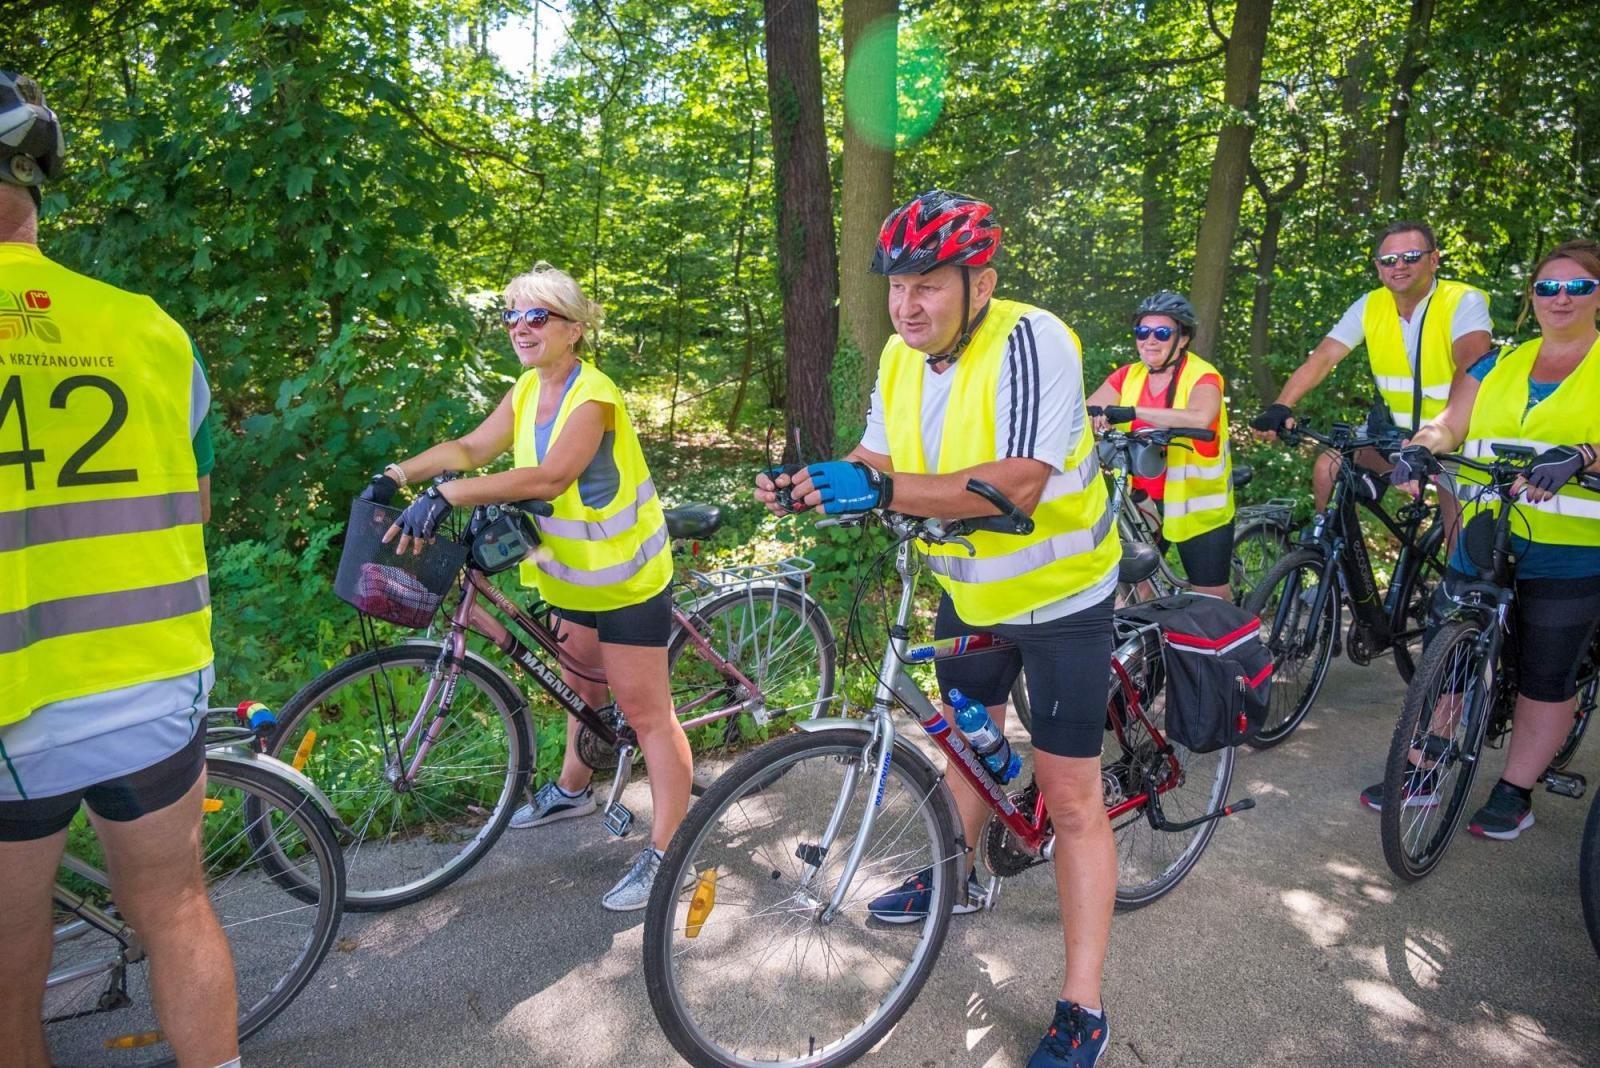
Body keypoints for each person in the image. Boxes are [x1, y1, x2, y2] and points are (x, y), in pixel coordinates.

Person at [758, 190, 1121, 1068]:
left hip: (1062, 599)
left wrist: (881, 494)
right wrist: (819, 479)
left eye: (927, 286)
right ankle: (957, 871)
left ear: (981, 282)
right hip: (970, 590)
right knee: (965, 744)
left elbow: (1020, 485)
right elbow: (880, 459)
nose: (906, 304)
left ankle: (1082, 1004)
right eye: (895, 287)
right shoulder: (897, 356)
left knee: (1071, 799)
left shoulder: (1035, 340)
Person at [0, 73, 241, 1067]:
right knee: (179, 909)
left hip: (15, 705)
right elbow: (194, 504)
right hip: (150, 680)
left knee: (11, 958)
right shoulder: (147, 327)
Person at [366, 261, 690, 910]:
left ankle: (668, 853)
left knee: (649, 716)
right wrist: (398, 474)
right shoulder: (525, 389)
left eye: (536, 315)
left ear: (574, 329)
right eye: (511, 314)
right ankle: (573, 791)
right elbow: (469, 447)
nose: (520, 326)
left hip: (625, 577)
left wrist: (447, 496)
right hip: (572, 571)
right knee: (581, 689)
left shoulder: (594, 396)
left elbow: (550, 479)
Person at [1370, 238, 1600, 836]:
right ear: (1533, 296)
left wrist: (1582, 455)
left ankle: (1514, 790)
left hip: (1572, 549)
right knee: (1453, 650)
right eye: (1549, 287)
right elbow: (1451, 422)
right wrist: (1420, 450)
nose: (1562, 298)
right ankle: (1424, 766)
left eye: (1578, 286)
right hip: (1488, 530)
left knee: (1547, 676)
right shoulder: (1498, 361)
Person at [1252, 220, 1492, 538]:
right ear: (1378, 267)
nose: (1399, 266)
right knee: (1329, 468)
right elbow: (1323, 358)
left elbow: (1471, 365)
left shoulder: (1463, 300)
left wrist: (1436, 437)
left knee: (1458, 535)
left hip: (1456, 435)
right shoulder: (1371, 305)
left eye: (1411, 256)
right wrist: (1281, 405)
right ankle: (1336, 571)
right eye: (1389, 260)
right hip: (1393, 431)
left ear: (1434, 260)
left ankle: (1453, 582)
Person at [1086, 291, 1235, 601]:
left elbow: (1200, 417)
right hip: (1143, 502)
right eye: (1142, 332)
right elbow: (1087, 412)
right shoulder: (1128, 375)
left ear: (1182, 339)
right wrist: (1093, 420)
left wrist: (1134, 412)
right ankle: (1153, 648)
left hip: (1197, 503)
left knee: (1210, 596)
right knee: (1135, 588)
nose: (1149, 340)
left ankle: (1232, 649)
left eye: (1161, 333)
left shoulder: (1202, 375)